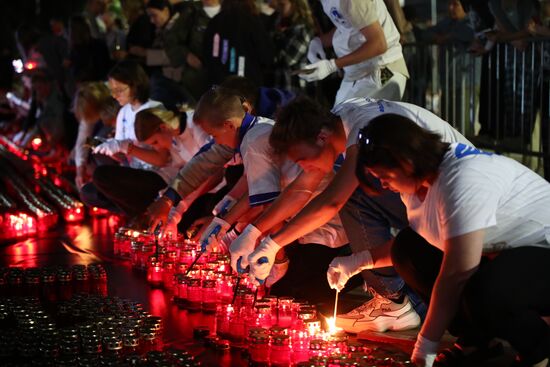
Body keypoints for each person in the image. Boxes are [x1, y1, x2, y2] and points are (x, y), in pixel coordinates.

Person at [243, 96, 471, 333]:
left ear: (321, 137)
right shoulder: (340, 121)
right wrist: (255, 234)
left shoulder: (363, 129)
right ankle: (398, 299)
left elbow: (332, 201)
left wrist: (273, 243)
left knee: (355, 188)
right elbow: (302, 188)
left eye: (303, 160)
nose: (303, 168)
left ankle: (393, 301)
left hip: (457, 201)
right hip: (433, 199)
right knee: (356, 187)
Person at [346, 114, 550, 367]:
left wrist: (426, 344)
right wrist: (360, 261)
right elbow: (426, 243)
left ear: (406, 161)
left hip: (543, 252)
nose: (383, 184)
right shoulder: (415, 185)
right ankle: (475, 340)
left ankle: (539, 349)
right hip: (502, 255)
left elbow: (458, 270)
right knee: (408, 250)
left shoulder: (462, 178)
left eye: (384, 175)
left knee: (489, 289)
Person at [298, 0, 409, 105]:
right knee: (340, 117)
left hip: (385, 70)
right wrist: (320, 41)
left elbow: (379, 44)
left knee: (353, 121)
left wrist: (332, 65)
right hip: (360, 72)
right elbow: (348, 25)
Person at [72, 82, 119, 189]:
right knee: (85, 147)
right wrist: (80, 170)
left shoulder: (116, 99)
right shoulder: (89, 103)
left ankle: (111, 181)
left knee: (95, 144)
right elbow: (83, 139)